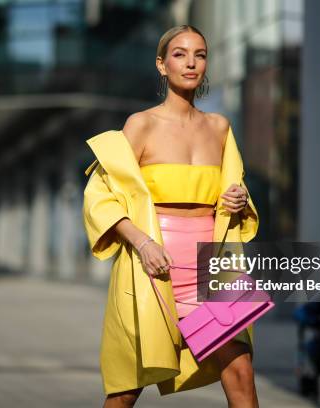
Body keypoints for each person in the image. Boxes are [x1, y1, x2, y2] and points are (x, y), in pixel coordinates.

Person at [82, 25, 260, 407]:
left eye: (199, 54)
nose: (191, 62)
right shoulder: (140, 124)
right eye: (179, 54)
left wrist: (238, 200)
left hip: (214, 265)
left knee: (241, 373)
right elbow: (100, 195)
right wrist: (142, 243)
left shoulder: (220, 127)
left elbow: (237, 197)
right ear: (162, 65)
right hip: (154, 265)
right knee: (126, 390)